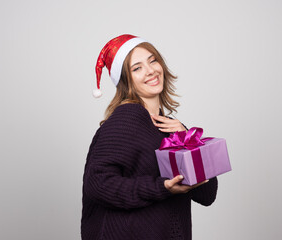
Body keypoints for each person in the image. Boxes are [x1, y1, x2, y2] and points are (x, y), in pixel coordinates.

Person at [81, 34, 218, 240]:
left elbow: (207, 195)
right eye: (137, 68)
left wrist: (188, 140)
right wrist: (162, 187)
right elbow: (97, 184)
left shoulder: (173, 127)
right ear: (126, 81)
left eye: (152, 60)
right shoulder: (127, 119)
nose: (151, 70)